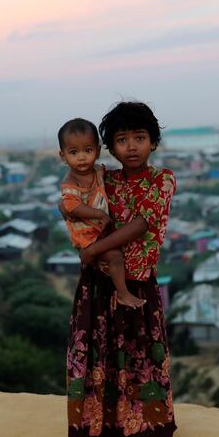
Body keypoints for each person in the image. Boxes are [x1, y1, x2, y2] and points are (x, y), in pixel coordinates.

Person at [64, 102, 186, 437]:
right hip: (100, 285)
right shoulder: (105, 180)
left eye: (139, 138)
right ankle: (102, 436)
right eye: (121, 140)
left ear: (153, 141)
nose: (131, 146)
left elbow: (140, 226)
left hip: (139, 283)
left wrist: (91, 252)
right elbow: (72, 204)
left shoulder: (162, 179)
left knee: (148, 360)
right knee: (101, 360)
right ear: (109, 147)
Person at [57, 118, 146, 309]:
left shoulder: (98, 172)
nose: (81, 157)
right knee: (114, 256)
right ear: (63, 156)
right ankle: (123, 294)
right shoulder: (71, 181)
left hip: (99, 233)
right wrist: (98, 214)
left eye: (87, 151)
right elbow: (71, 206)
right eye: (74, 152)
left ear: (97, 151)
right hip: (87, 237)